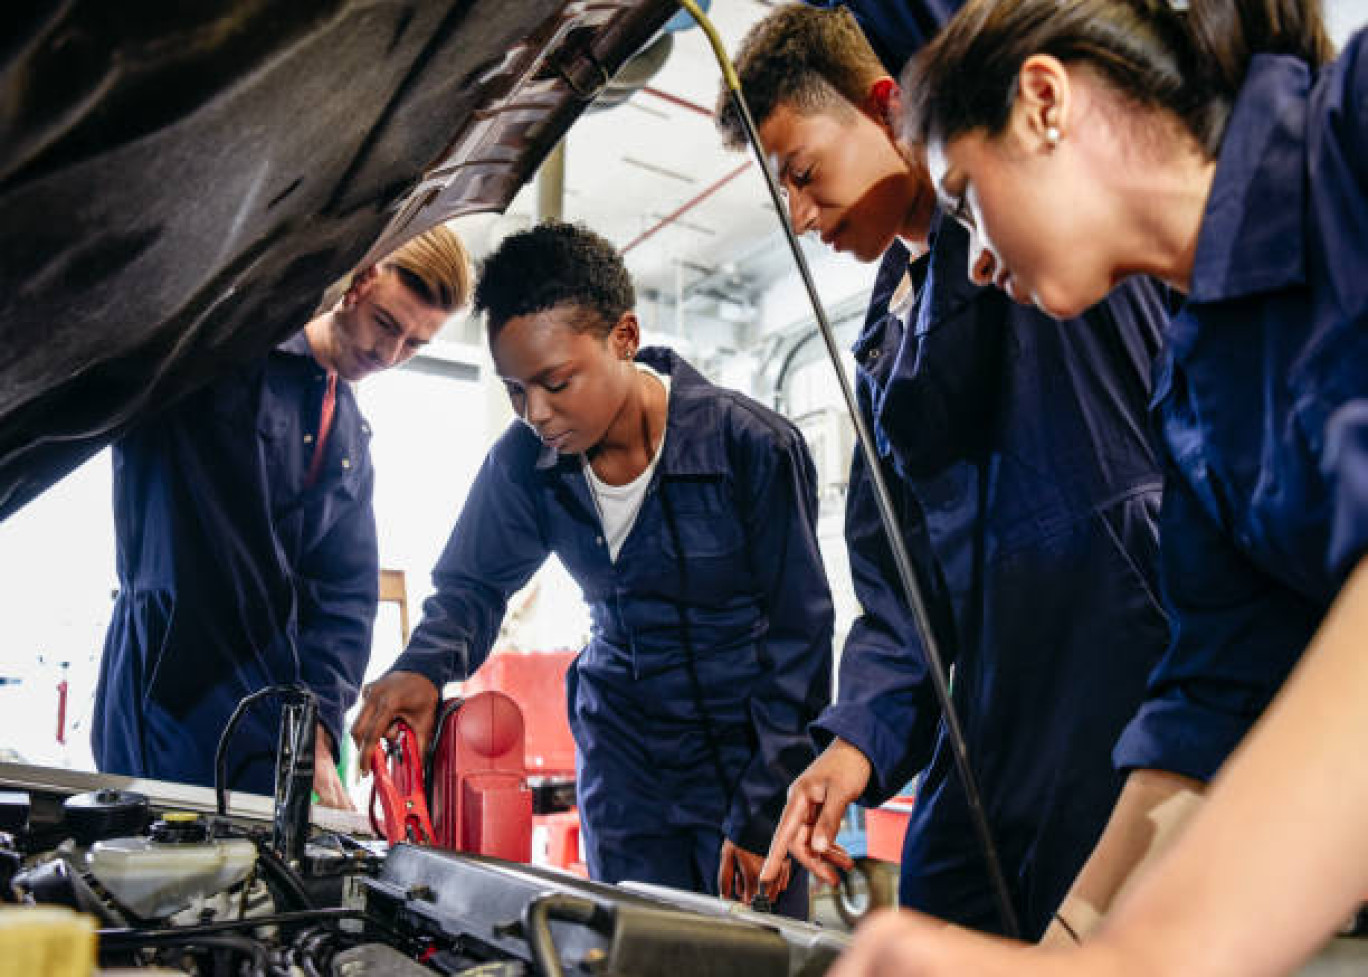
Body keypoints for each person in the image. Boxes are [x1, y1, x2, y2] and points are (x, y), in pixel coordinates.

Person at [824, 0, 1368, 974]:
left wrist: (1130, 962)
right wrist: (1066, 946)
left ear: (1042, 102)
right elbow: (1206, 713)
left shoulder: (1357, 133)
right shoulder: (1204, 395)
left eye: (965, 199)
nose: (979, 263)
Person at [717, 4, 1173, 939]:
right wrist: (855, 741)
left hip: (1129, 663)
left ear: (892, 107)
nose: (801, 217)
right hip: (993, 718)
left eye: (802, 174)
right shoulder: (882, 347)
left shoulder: (1035, 228)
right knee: (932, 914)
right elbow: (901, 597)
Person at [351, 222, 833, 917]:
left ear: (625, 338)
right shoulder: (524, 463)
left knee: (758, 958)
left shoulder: (751, 449)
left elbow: (800, 643)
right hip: (627, 767)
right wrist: (425, 665)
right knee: (628, 949)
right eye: (516, 389)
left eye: (555, 382)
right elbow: (473, 585)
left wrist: (766, 809)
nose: (535, 412)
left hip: (747, 763)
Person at [93, 225, 472, 808]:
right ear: (358, 282)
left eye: (415, 344)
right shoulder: (223, 356)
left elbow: (345, 597)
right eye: (387, 325)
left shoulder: (347, 435)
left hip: (269, 718)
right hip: (169, 685)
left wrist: (317, 726)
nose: (390, 355)